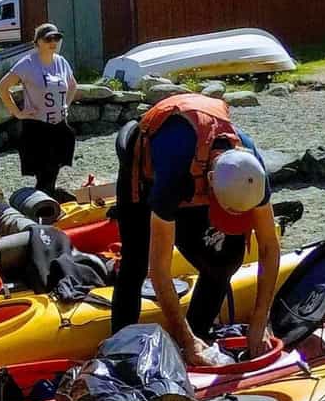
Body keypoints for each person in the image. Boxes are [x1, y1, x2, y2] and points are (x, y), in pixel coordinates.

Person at [111, 92, 279, 364]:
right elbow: (160, 271)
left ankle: (198, 336)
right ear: (211, 181)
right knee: (136, 262)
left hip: (198, 166)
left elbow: (269, 246)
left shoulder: (251, 172)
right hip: (144, 168)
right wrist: (184, 338)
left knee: (225, 260)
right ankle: (121, 352)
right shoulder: (173, 179)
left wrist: (260, 320)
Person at [0, 23, 78, 197]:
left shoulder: (61, 62)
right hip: (37, 127)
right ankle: (42, 207)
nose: (53, 42)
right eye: (48, 38)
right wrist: (17, 113)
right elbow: (2, 87)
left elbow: (72, 85)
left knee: (53, 169)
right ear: (37, 42)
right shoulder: (27, 63)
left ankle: (46, 203)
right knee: (45, 172)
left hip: (59, 125)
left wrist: (65, 105)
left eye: (57, 38)